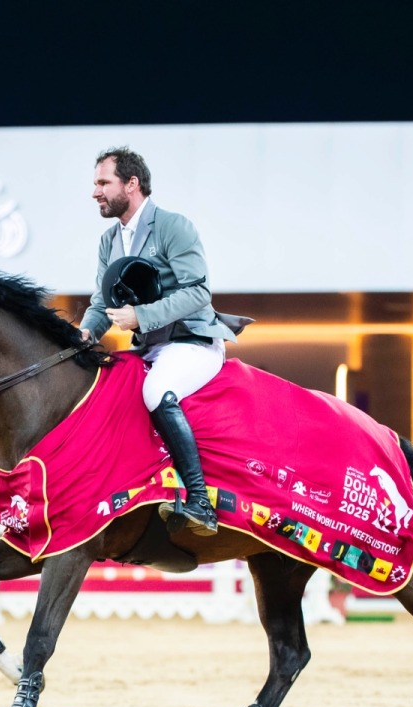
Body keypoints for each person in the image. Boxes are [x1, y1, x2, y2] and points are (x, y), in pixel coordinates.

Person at [79, 147, 252, 535]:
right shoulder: (109, 241)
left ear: (132, 184)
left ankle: (201, 503)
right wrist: (83, 334)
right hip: (148, 348)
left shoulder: (174, 226)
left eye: (103, 183)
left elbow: (198, 292)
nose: (95, 192)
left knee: (156, 390)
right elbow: (101, 301)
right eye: (95, 184)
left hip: (193, 342)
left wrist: (140, 316)